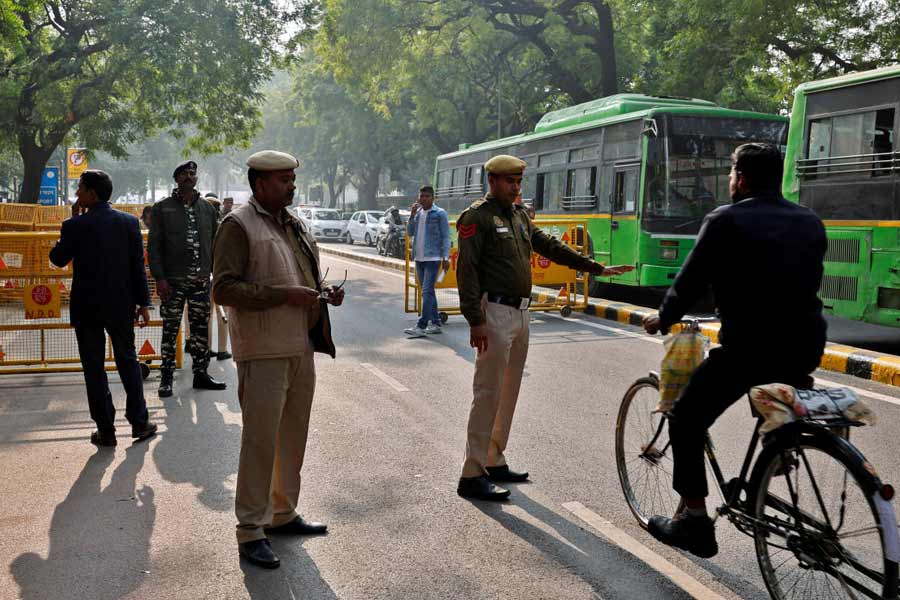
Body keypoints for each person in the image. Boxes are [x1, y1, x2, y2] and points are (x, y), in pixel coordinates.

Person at [642, 143, 827, 558]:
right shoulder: (810, 221)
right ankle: (777, 453)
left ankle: (694, 521)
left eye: (730, 173)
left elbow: (690, 281)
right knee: (773, 398)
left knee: (685, 419)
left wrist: (665, 317)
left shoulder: (725, 220)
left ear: (740, 178)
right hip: (806, 345)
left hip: (750, 348)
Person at [455, 155, 633, 501]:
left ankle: (493, 458)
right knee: (487, 393)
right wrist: (475, 320)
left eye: (519, 182)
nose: (516, 188)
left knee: (508, 392)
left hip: (521, 313)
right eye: (510, 181)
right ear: (493, 181)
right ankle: (471, 473)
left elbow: (550, 247)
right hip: (494, 313)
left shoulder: (519, 216)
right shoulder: (477, 218)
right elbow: (467, 272)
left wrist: (595, 268)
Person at [213, 150, 345, 569]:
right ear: (259, 184)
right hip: (263, 348)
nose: (292, 185)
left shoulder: (295, 223)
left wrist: (323, 293)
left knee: (292, 436)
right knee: (260, 442)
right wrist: (283, 295)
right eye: (284, 180)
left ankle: (282, 512)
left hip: (300, 345)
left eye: (292, 178)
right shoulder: (238, 225)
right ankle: (251, 529)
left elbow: (303, 276)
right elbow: (224, 289)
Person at [49, 170, 158, 446]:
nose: (77, 193)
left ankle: (105, 429)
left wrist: (71, 221)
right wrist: (143, 303)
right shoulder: (129, 222)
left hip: (86, 307)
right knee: (128, 360)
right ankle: (140, 421)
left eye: (80, 188)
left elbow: (58, 259)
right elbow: (137, 266)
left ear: (91, 193)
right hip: (121, 304)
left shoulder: (75, 225)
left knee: (93, 367)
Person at [148, 160, 226, 397]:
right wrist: (160, 278)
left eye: (192, 173)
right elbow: (154, 247)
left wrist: (215, 274)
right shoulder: (163, 209)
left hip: (201, 281)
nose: (189, 177)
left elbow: (215, 244)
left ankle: (201, 374)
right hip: (172, 282)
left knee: (201, 330)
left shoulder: (207, 209)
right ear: (177, 179)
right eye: (184, 174)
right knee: (170, 330)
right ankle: (167, 378)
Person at [404, 185, 450, 337]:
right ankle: (436, 323)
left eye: (426, 196)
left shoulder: (440, 213)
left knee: (426, 291)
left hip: (433, 258)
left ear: (432, 198)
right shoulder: (417, 213)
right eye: (421, 196)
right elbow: (410, 232)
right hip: (419, 258)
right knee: (428, 292)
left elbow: (446, 236)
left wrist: (446, 257)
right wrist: (411, 216)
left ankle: (421, 325)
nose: (423, 199)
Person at [203, 195, 230, 360]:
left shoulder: (199, 228)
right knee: (223, 314)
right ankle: (221, 350)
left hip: (205, 276)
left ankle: (207, 348)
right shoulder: (222, 228)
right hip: (219, 276)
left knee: (208, 314)